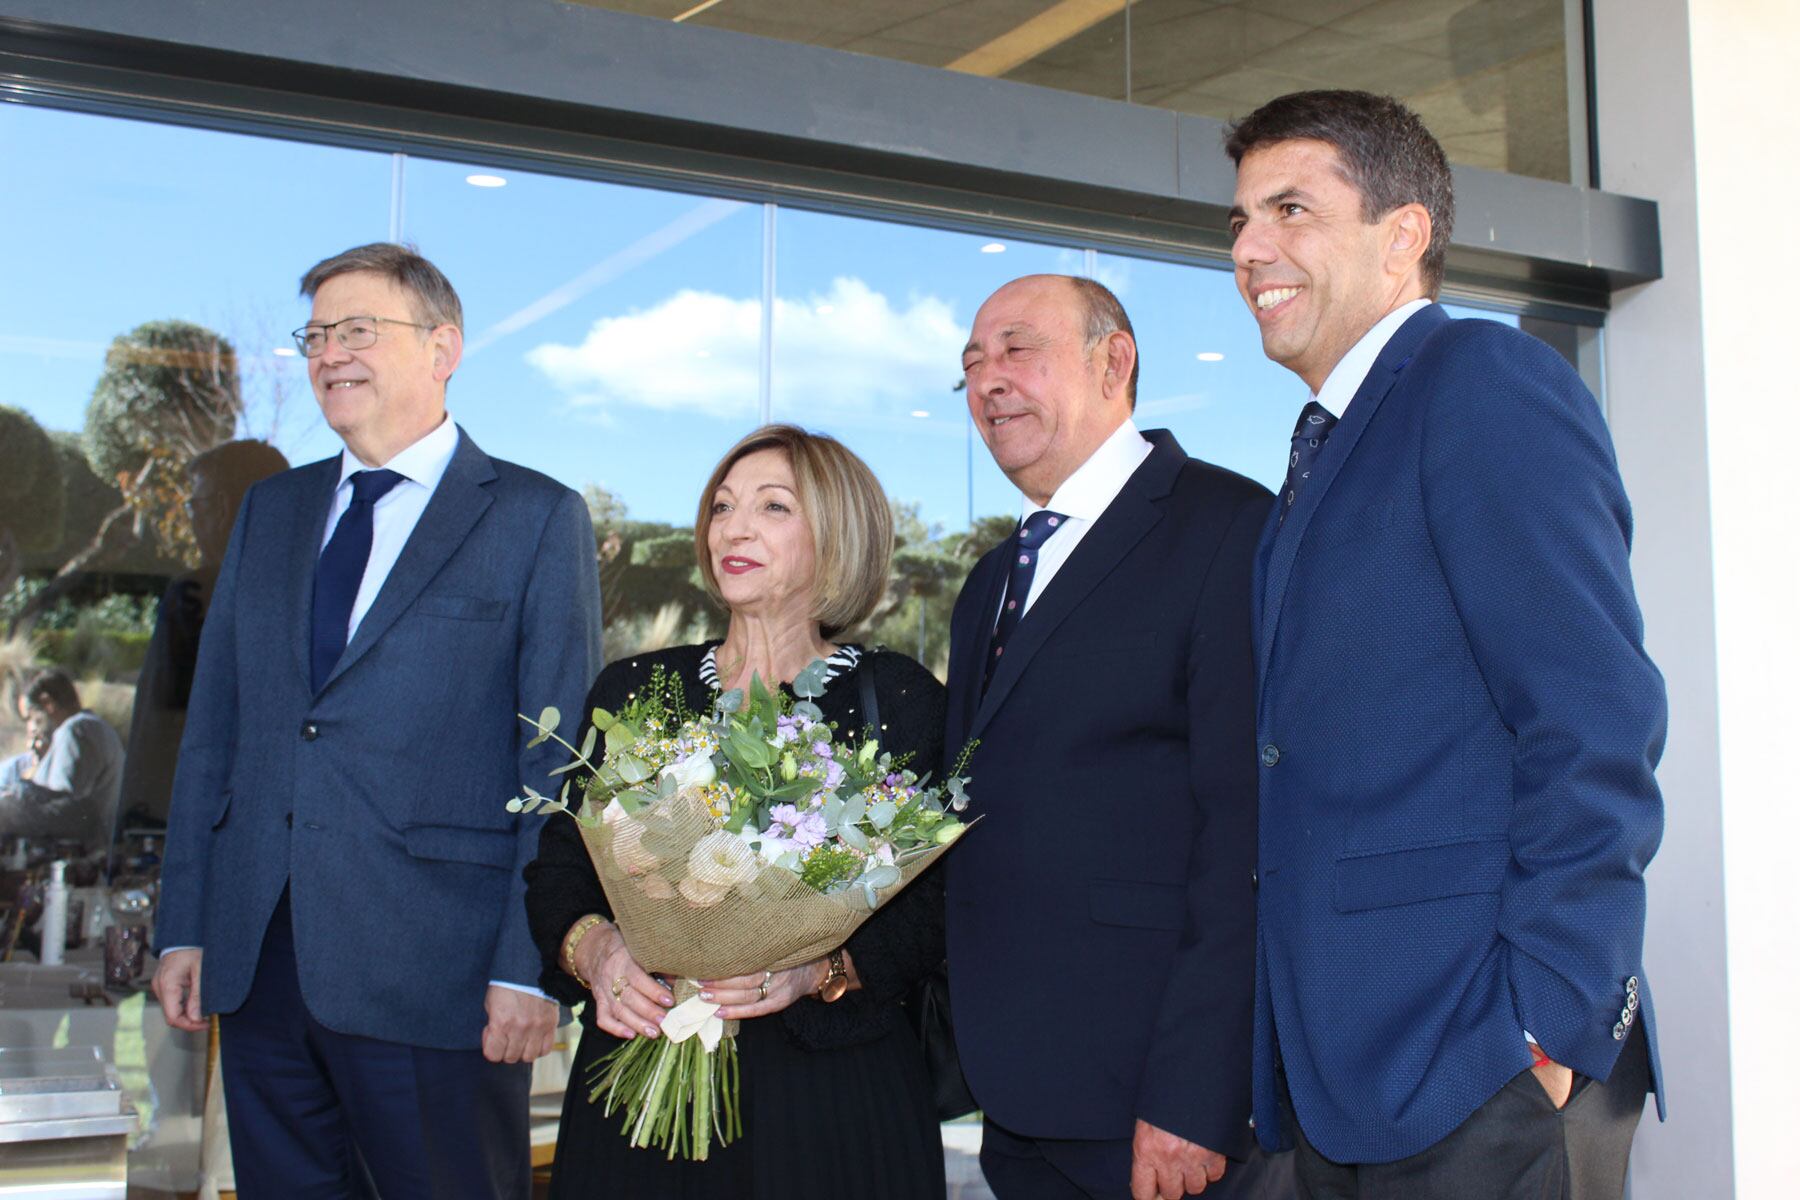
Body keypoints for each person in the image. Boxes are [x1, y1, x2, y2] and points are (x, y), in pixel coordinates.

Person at [1225, 90, 1664, 1199]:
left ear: (1403, 233)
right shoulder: (1320, 451)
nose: (1250, 249)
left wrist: (1546, 1017)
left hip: (1475, 1058)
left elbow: (1594, 715)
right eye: (1237, 221)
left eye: (1289, 210)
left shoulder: (1481, 383)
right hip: (1343, 1069)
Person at [150, 243, 603, 1200]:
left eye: (359, 330)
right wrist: (184, 924)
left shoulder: (532, 517)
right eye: (316, 335)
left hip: (438, 976)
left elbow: (557, 763)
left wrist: (529, 969)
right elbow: (216, 737)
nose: (330, 354)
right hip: (262, 960)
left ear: (444, 347)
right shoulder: (270, 513)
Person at [524, 424, 949, 1200]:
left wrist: (822, 969)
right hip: (640, 1086)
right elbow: (561, 867)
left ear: (839, 535)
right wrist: (599, 956)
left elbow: (937, 903)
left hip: (829, 1096)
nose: (734, 528)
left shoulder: (896, 698)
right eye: (722, 507)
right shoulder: (633, 691)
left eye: (773, 507)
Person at [945, 274, 1286, 1200]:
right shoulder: (989, 581)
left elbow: (1246, 832)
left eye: (1018, 350)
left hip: (1156, 1107)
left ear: (1115, 361)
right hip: (1016, 1094)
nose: (988, 381)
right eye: (971, 366)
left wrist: (1194, 1094)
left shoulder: (1229, 528)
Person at [118, 439, 289, 833]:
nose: (191, 520)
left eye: (195, 505)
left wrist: (133, 822)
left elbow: (159, 730)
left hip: (194, 824)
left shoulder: (194, 598)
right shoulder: (317, 596)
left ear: (224, 507)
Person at [0, 668, 124, 849]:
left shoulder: (76, 729)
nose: (30, 728)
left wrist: (15, 800)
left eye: (32, 717)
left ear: (47, 703)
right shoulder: (95, 728)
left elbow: (64, 811)